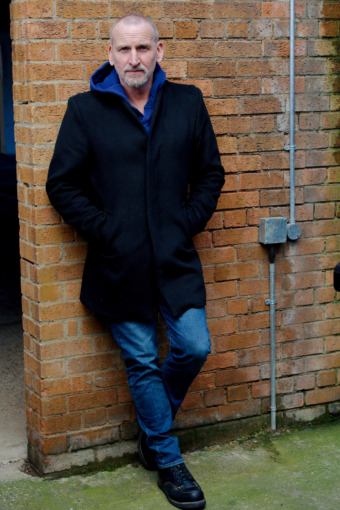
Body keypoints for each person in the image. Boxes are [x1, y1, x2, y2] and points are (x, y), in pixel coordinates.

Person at [46, 13, 224, 510]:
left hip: (175, 259)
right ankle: (169, 461)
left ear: (159, 51)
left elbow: (211, 174)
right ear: (110, 55)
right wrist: (109, 231)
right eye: (123, 50)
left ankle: (153, 429)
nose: (134, 59)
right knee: (142, 361)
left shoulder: (186, 102)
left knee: (193, 346)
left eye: (143, 48)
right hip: (118, 265)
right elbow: (61, 184)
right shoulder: (84, 110)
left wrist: (183, 222)